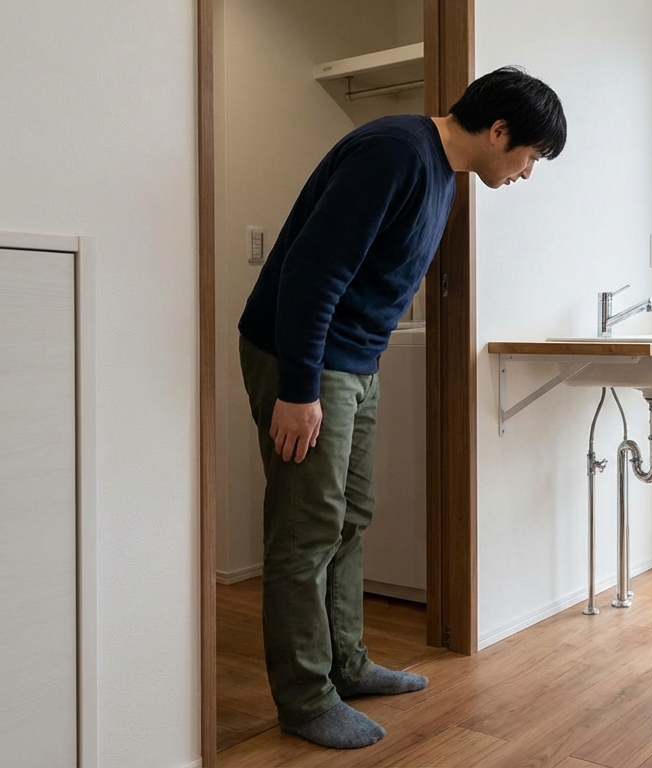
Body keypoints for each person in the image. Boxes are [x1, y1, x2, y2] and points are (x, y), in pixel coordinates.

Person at [237, 66, 566, 749]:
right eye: (530, 156)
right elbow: (311, 270)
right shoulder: (395, 151)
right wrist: (299, 390)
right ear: (499, 130)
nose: (528, 172)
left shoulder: (442, 174)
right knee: (305, 529)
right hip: (308, 360)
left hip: (353, 363)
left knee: (349, 516)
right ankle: (305, 697)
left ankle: (346, 663)